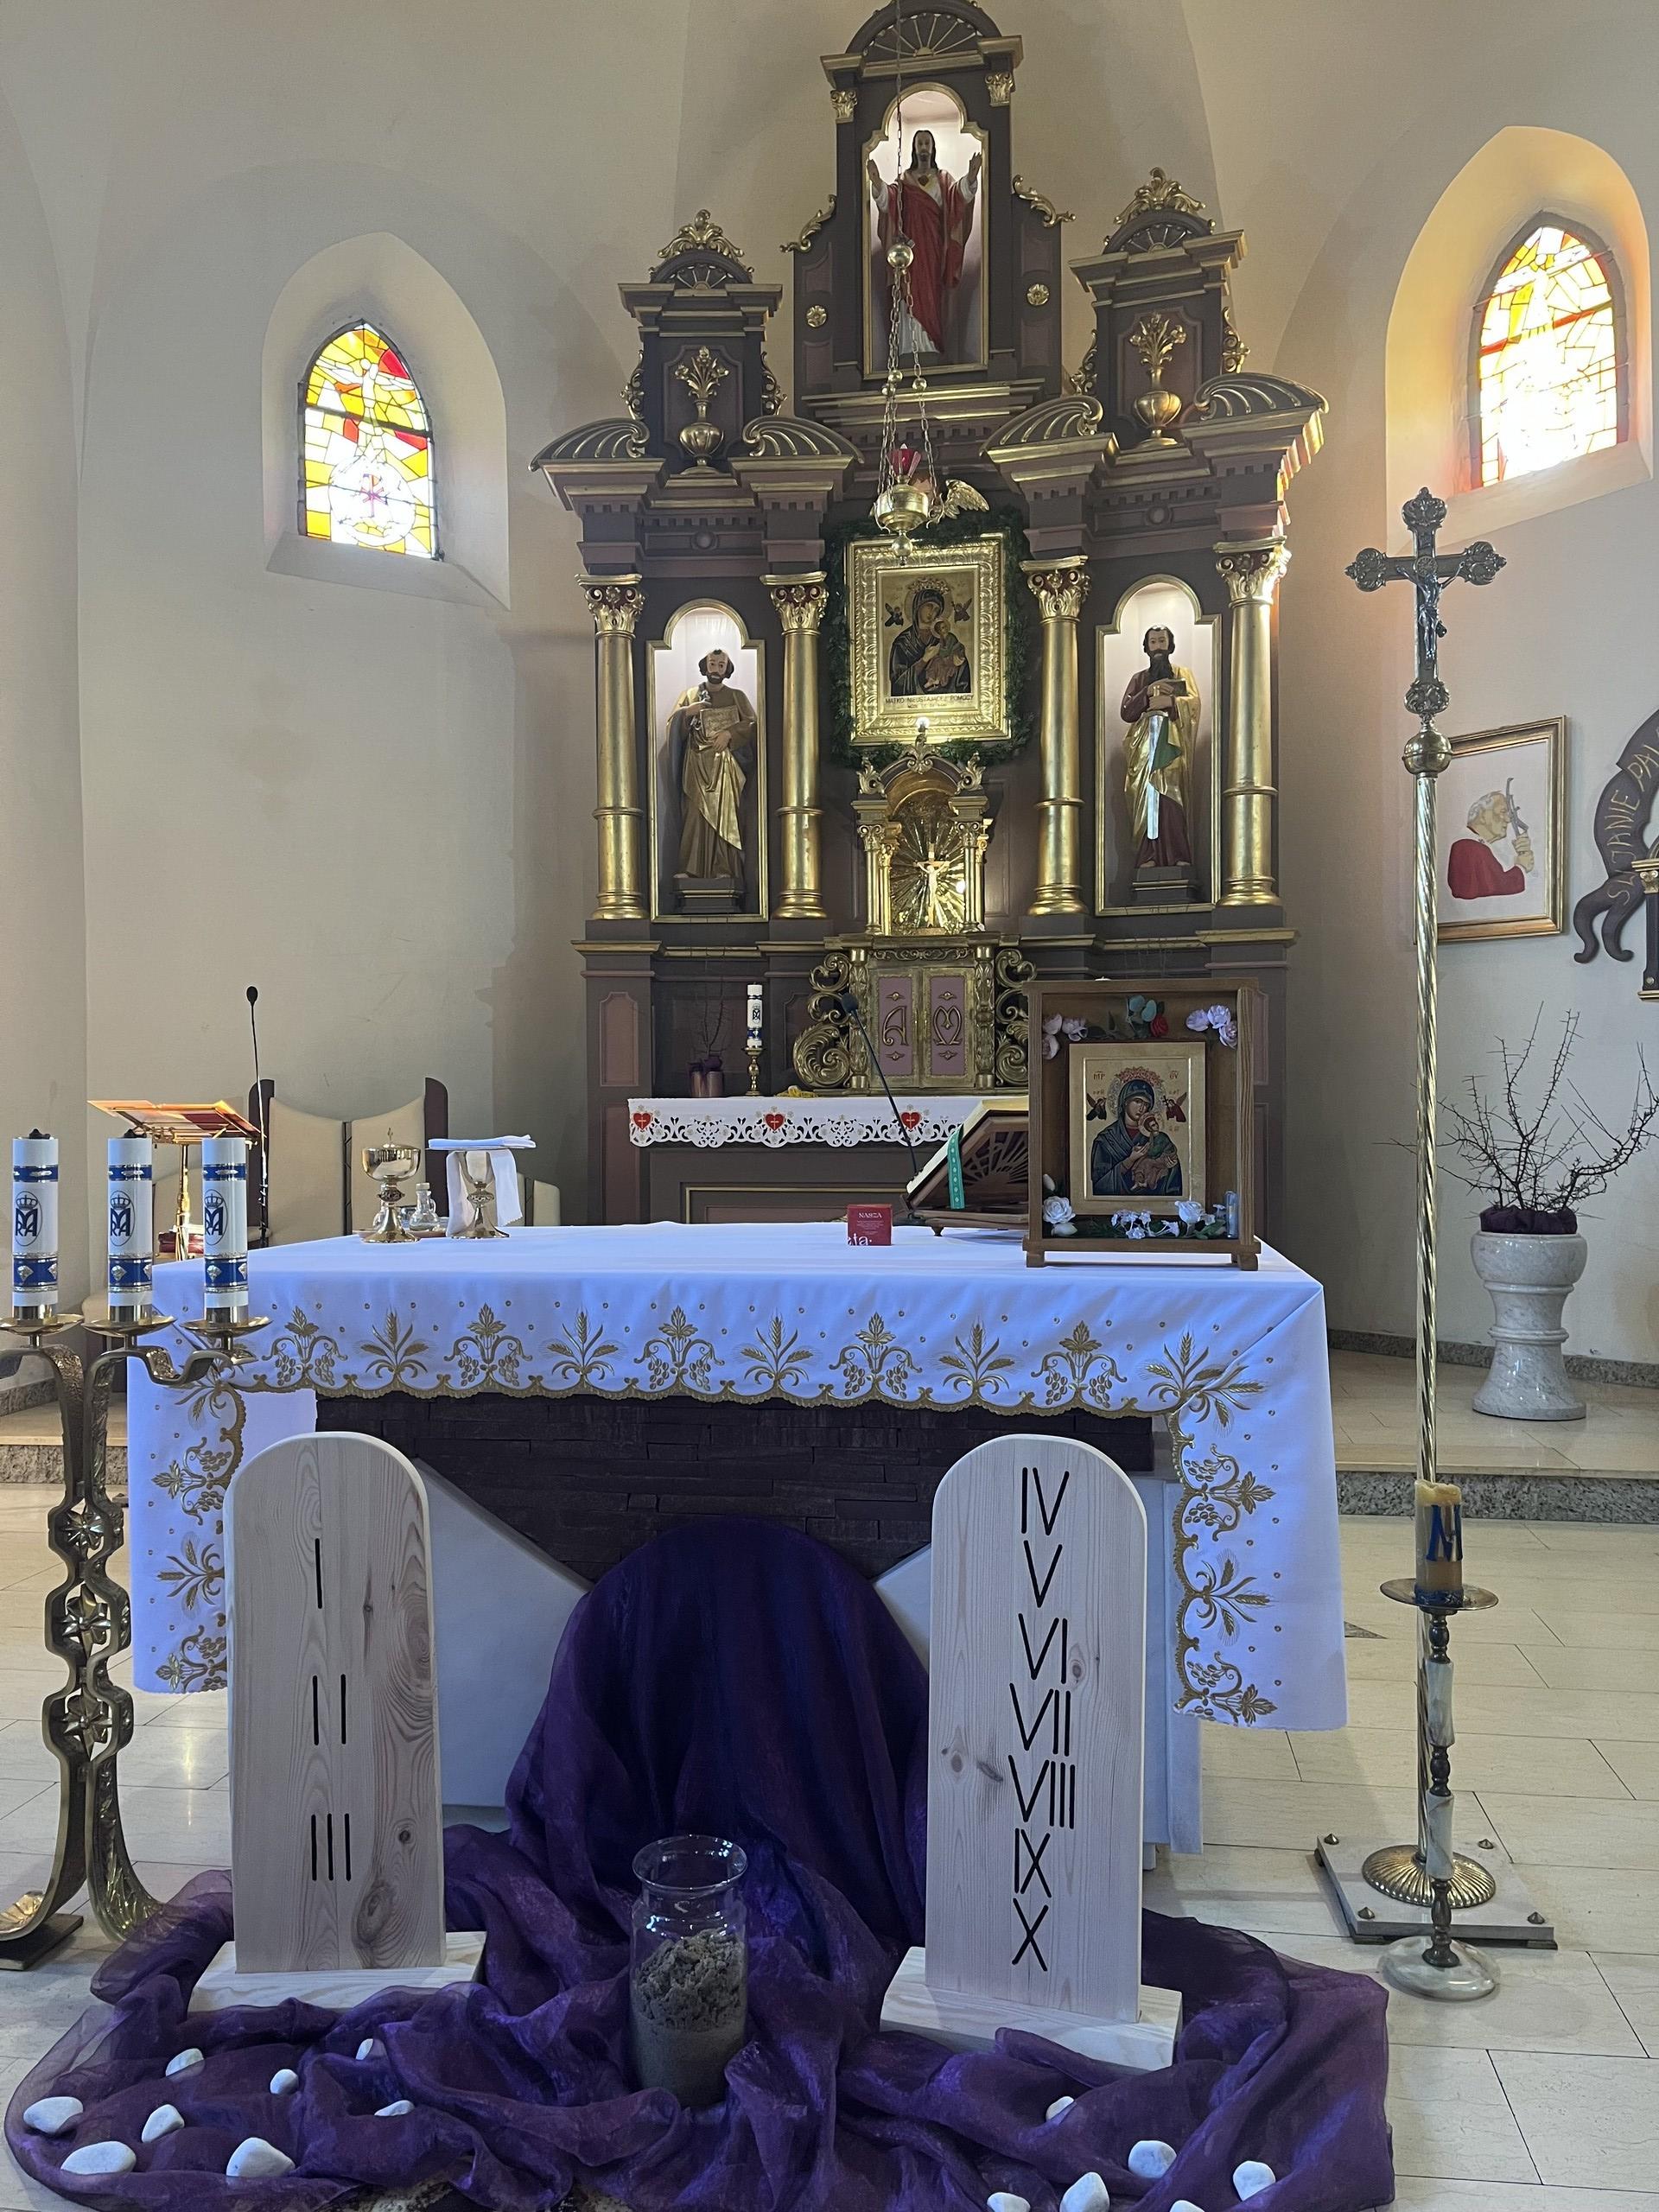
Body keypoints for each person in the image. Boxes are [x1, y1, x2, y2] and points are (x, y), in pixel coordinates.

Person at [868, 128, 981, 361]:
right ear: (913, 148)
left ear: (933, 147)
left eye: (927, 143)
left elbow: (957, 198)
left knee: (932, 297)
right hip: (909, 254)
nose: (923, 148)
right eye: (919, 143)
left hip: (935, 251)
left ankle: (932, 344)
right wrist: (877, 182)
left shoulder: (943, 179)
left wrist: (971, 177)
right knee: (908, 292)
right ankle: (909, 347)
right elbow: (889, 201)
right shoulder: (904, 181)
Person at [671, 649, 756, 893]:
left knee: (724, 814)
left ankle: (724, 868)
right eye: (712, 663)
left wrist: (730, 734)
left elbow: (752, 723)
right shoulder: (691, 695)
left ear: (727, 669)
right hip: (696, 763)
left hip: (725, 767)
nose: (716, 668)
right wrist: (688, 712)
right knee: (694, 814)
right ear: (704, 666)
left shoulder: (736, 696)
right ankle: (691, 868)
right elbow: (673, 725)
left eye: (721, 664)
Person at [1122, 625, 1200, 872]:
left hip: (1172, 746)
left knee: (1171, 798)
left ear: (1170, 645)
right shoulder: (1139, 679)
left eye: (1162, 641)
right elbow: (1126, 712)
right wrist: (1146, 693)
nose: (1158, 647)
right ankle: (1149, 855)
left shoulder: (1182, 673)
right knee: (1148, 799)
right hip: (1145, 748)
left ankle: (1178, 853)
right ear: (1146, 648)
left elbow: (1194, 704)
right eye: (1153, 642)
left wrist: (1171, 702)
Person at [1090, 1077, 1184, 1198]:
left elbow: (1173, 1181)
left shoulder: (1157, 1137)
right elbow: (1100, 1185)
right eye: (1138, 1101)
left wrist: (1169, 1165)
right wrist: (1130, 1161)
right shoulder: (1105, 1140)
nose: (1142, 1108)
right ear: (1125, 1101)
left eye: (1146, 1104)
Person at [1446, 787, 1535, 899]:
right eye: (1503, 812)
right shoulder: (1469, 847)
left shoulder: (1476, 846)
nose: (1508, 819)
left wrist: (1519, 856)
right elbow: (1494, 887)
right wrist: (1521, 866)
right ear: (1483, 815)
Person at [887, 584, 970, 696]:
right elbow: (898, 684)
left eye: (937, 609)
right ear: (918, 606)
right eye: (929, 606)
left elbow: (962, 674)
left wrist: (958, 660)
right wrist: (924, 660)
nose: (932, 612)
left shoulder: (944, 637)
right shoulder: (902, 643)